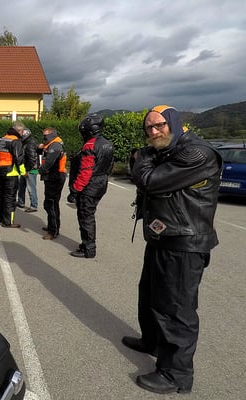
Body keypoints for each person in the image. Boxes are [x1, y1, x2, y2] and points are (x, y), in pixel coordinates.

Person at [123, 105, 221, 394]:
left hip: (184, 243)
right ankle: (152, 342)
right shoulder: (169, 150)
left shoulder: (197, 153)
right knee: (150, 295)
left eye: (159, 125)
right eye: (149, 128)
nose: (153, 132)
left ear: (174, 123)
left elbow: (149, 180)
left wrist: (143, 157)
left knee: (176, 309)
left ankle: (176, 375)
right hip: (164, 237)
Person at [66, 113, 114, 258]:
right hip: (101, 183)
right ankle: (87, 244)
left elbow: (85, 172)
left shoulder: (89, 145)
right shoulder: (108, 143)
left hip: (90, 186)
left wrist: (74, 190)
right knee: (89, 215)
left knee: (86, 217)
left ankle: (88, 249)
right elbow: (110, 165)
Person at [0, 121, 26, 228]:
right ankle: (8, 222)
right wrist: (23, 172)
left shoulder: (2, 139)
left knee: (1, 194)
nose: (23, 133)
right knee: (10, 197)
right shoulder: (15, 141)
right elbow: (18, 158)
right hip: (11, 172)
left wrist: (1, 164)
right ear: (19, 131)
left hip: (0, 170)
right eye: (22, 131)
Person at [37, 127, 67, 240]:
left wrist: (40, 170)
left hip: (55, 177)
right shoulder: (51, 144)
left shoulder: (55, 146)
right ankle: (52, 226)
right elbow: (42, 153)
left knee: (51, 204)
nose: (44, 137)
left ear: (52, 134)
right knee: (49, 204)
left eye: (46, 135)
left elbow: (49, 162)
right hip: (51, 177)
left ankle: (53, 230)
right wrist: (39, 147)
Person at [17, 128, 39, 212]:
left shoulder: (30, 143)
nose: (20, 135)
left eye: (22, 134)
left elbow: (32, 158)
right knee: (21, 186)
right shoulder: (25, 142)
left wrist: (27, 170)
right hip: (25, 168)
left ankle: (34, 205)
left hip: (30, 169)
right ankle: (21, 202)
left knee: (31, 188)